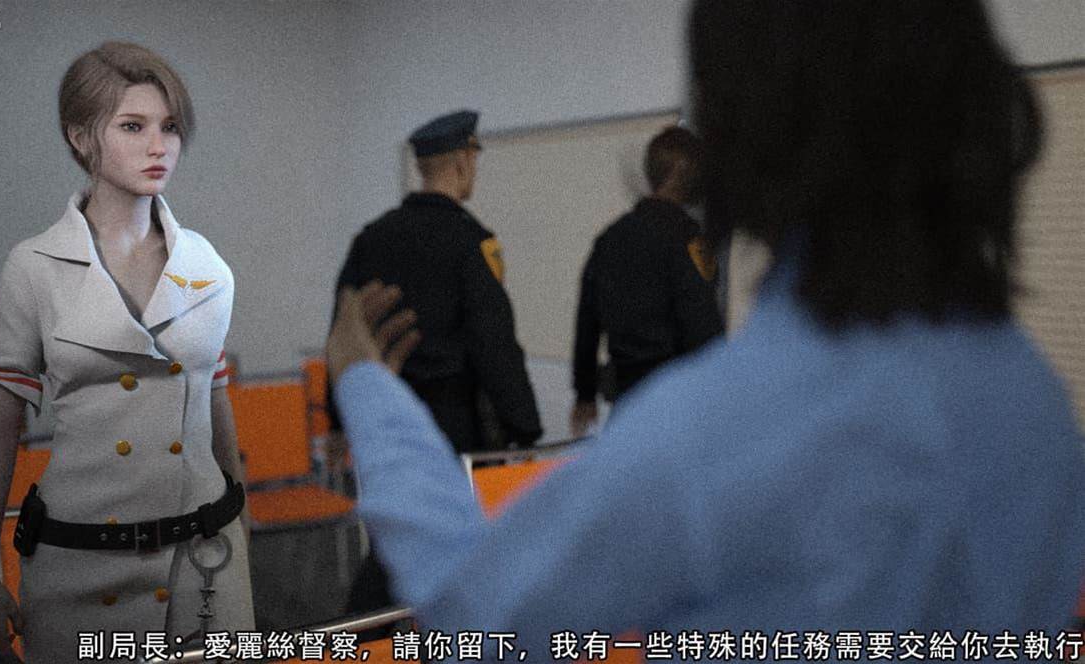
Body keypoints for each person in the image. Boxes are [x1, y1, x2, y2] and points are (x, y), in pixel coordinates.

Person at [326, 0, 1085, 656]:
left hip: (623, 408)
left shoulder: (716, 432)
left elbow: (475, 622)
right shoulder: (1034, 402)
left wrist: (366, 388)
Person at [0, 42, 253, 663]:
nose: (159, 147)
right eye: (132, 126)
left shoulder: (207, 265)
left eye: (169, 127)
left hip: (204, 557)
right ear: (80, 137)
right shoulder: (35, 266)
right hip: (80, 559)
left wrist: (242, 524)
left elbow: (215, 400)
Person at [333, 109, 543, 617]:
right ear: (464, 162)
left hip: (386, 414)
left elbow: (343, 330)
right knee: (450, 541)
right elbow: (494, 343)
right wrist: (524, 428)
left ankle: (379, 634)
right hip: (454, 423)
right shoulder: (472, 242)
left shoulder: (372, 237)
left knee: (394, 534)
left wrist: (343, 418)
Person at [570, 126, 724, 437]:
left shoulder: (610, 239)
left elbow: (587, 322)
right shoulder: (688, 240)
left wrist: (585, 393)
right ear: (685, 175)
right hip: (676, 407)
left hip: (625, 404)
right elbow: (701, 326)